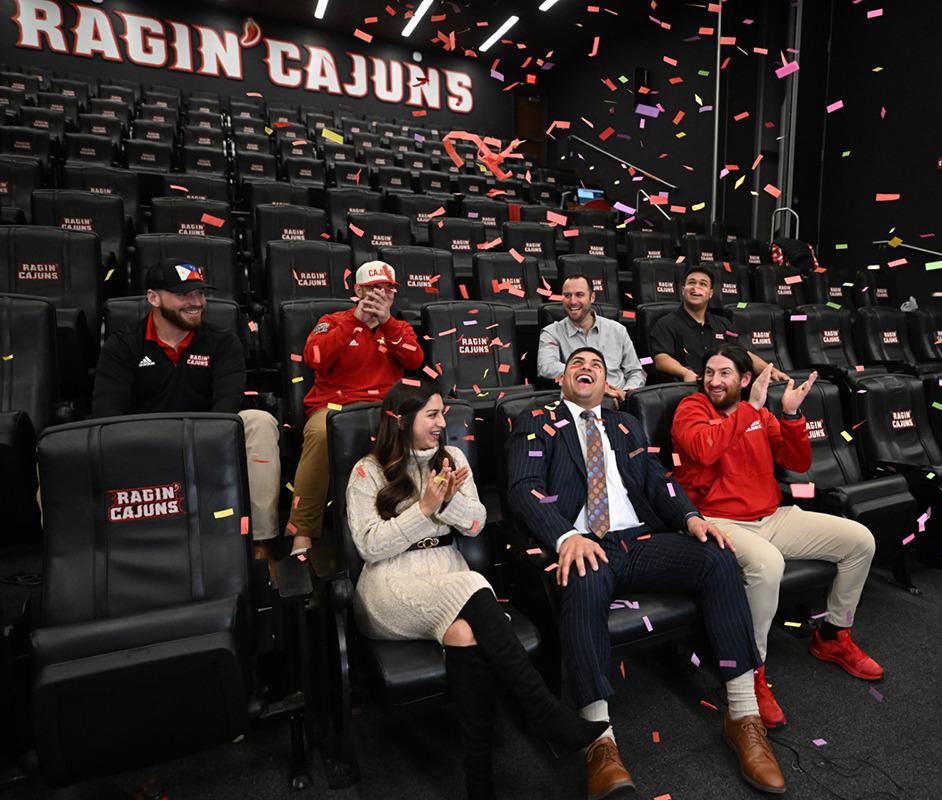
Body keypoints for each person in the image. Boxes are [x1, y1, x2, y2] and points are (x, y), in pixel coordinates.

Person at [507, 346, 787, 798]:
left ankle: (742, 714)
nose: (586, 369)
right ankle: (598, 741)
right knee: (581, 579)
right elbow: (523, 488)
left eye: (596, 365)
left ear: (607, 383)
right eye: (577, 363)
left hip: (638, 540)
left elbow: (659, 481)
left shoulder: (625, 424)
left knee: (718, 557)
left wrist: (690, 518)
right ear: (562, 379)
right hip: (584, 545)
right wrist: (565, 537)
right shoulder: (535, 421)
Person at [346, 382, 606, 800]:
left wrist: (449, 500)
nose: (441, 423)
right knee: (474, 583)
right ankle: (540, 707)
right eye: (431, 414)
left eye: (442, 414)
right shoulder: (367, 471)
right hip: (388, 585)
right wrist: (426, 508)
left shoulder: (454, 459)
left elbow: (476, 524)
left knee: (465, 635)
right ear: (401, 419)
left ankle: (479, 781)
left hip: (446, 576)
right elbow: (369, 546)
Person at [671, 344, 883, 731]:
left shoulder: (760, 414)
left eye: (724, 374)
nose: (714, 381)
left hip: (773, 516)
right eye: (709, 373)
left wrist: (790, 414)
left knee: (860, 540)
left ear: (745, 379)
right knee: (769, 565)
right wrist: (750, 410)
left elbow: (797, 462)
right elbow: (704, 450)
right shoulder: (692, 409)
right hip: (720, 520)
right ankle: (752, 669)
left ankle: (833, 635)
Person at [91, 258, 280, 544]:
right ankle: (84, 558)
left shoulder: (223, 342)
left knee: (260, 422)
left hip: (207, 440)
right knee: (59, 454)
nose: (196, 302)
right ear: (153, 298)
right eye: (183, 294)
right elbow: (107, 410)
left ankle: (261, 543)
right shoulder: (123, 344)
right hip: (143, 443)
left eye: (200, 293)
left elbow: (227, 404)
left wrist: (198, 442)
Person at [287, 261, 424, 556]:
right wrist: (357, 321)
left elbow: (415, 360)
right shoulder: (334, 321)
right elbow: (315, 357)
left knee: (424, 426)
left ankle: (420, 516)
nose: (381, 294)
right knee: (322, 434)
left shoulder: (398, 328)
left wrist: (386, 323)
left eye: (387, 288)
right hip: (335, 407)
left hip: (385, 408)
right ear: (358, 290)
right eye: (374, 288)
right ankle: (302, 529)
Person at [649, 265, 789, 384]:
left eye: (703, 284)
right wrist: (685, 373)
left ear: (710, 294)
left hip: (723, 388)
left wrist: (770, 371)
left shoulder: (724, 324)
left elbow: (743, 354)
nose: (696, 287)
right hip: (689, 388)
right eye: (691, 283)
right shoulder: (665, 323)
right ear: (682, 290)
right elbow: (661, 359)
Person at [537, 274, 645, 402]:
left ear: (592, 297)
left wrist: (624, 394)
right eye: (567, 295)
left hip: (617, 401)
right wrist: (590, 377)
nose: (572, 301)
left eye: (579, 295)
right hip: (577, 401)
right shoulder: (551, 332)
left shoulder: (618, 330)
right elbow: (546, 367)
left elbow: (636, 371)